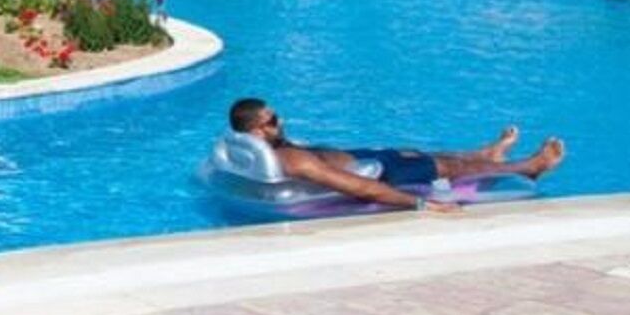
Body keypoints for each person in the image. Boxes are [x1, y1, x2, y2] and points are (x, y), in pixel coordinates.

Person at [225, 97, 564, 213]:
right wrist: (420, 204)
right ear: (256, 132)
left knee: (419, 152)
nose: (280, 121)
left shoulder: (263, 148)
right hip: (379, 173)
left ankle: (486, 153)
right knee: (446, 166)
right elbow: (356, 186)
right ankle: (529, 167)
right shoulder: (294, 161)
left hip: (361, 156)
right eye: (272, 120)